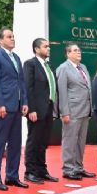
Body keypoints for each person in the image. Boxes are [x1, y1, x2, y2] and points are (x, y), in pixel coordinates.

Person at [0, 28, 29, 191]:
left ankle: (12, 176)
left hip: (16, 107)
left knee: (15, 143)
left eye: (13, 36)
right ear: (0, 40)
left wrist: (24, 101)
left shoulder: (16, 58)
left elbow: (21, 82)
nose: (12, 39)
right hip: (3, 107)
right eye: (9, 37)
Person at [23, 38, 59, 184]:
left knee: (43, 142)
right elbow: (28, 87)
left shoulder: (48, 66)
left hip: (48, 108)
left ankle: (41, 170)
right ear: (37, 49)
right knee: (34, 141)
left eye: (49, 46)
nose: (48, 49)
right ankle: (30, 172)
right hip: (36, 110)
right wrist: (31, 109)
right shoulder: (30, 64)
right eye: (45, 46)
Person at [56, 43, 95, 180]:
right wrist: (64, 112)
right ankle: (68, 169)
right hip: (72, 111)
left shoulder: (83, 67)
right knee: (69, 140)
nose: (79, 52)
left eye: (79, 50)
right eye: (75, 50)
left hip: (85, 111)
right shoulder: (63, 68)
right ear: (68, 54)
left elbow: (87, 89)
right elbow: (61, 92)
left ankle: (78, 167)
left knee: (80, 141)